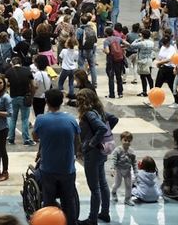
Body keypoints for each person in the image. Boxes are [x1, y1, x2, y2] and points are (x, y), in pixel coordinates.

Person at [32, 89, 80, 225]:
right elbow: (77, 140)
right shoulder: (71, 120)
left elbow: (35, 137)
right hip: (68, 168)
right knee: (69, 201)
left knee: (48, 201)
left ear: (46, 102)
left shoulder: (41, 119)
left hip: (48, 168)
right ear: (62, 101)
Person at [77, 88, 119, 225]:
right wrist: (105, 136)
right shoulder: (99, 110)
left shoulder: (89, 114)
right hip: (101, 152)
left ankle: (92, 218)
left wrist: (91, 143)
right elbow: (114, 119)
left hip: (93, 153)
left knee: (94, 188)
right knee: (103, 183)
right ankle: (105, 213)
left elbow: (101, 128)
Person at [5, 57, 35, 145]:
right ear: (21, 63)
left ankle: (11, 138)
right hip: (25, 97)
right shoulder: (27, 71)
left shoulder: (8, 72)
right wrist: (31, 97)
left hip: (13, 97)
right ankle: (26, 139)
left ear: (12, 64)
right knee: (25, 119)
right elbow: (33, 85)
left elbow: (6, 85)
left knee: (12, 118)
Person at [110, 132, 138, 206]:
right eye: (125, 140)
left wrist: (136, 172)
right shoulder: (117, 150)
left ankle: (127, 199)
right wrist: (112, 168)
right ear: (121, 140)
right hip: (119, 170)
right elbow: (114, 159)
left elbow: (134, 162)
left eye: (129, 141)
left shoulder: (132, 151)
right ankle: (113, 192)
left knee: (129, 185)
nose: (127, 142)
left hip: (128, 170)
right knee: (117, 184)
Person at [131, 29, 156, 97]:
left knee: (143, 77)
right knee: (149, 76)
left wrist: (138, 39)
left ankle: (144, 91)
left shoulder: (142, 43)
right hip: (149, 60)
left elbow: (132, 45)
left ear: (143, 35)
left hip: (142, 61)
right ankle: (152, 90)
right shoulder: (151, 42)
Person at [103, 27, 126, 99]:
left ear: (106, 33)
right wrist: (121, 47)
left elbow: (107, 51)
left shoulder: (106, 41)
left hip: (111, 60)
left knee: (111, 77)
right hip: (119, 60)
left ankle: (112, 94)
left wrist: (103, 50)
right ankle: (120, 93)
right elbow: (128, 44)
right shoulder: (118, 38)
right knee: (119, 76)